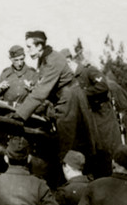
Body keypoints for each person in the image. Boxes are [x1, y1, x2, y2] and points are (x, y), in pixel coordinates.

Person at [14, 31, 96, 161]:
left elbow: (41, 92)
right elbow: (39, 83)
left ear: (39, 46)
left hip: (69, 99)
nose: (27, 50)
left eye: (29, 47)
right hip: (66, 98)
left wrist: (19, 115)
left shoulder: (53, 60)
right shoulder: (44, 58)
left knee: (67, 143)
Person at [62, 49, 121, 176]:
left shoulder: (88, 71)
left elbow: (103, 86)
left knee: (107, 153)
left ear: (69, 61)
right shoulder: (72, 79)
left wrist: (83, 94)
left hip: (102, 119)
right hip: (90, 121)